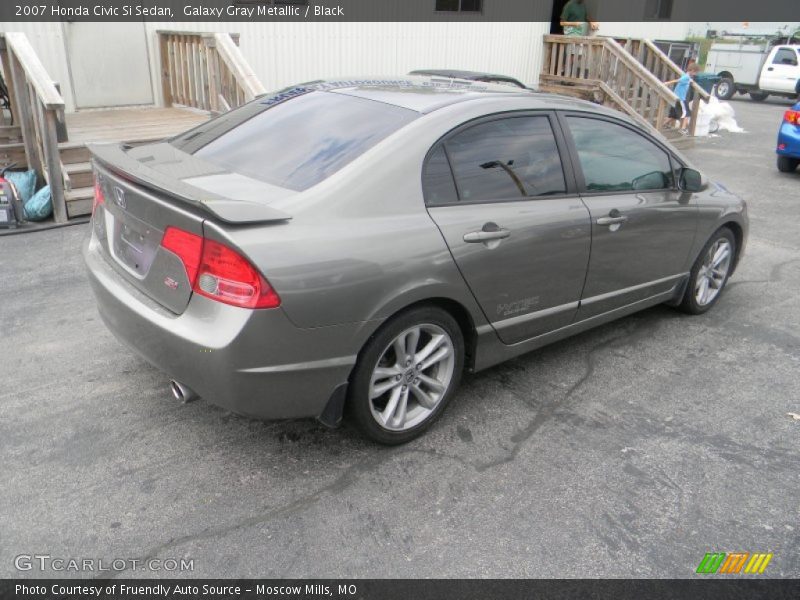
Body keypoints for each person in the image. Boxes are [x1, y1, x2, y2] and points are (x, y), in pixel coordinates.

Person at [665, 63, 700, 134]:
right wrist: (667, 83)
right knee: (687, 113)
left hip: (677, 98)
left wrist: (690, 80)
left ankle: (664, 124)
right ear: (692, 71)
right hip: (681, 98)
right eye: (695, 72)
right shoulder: (686, 77)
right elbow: (678, 80)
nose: (696, 74)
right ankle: (683, 129)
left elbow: (688, 79)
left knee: (673, 115)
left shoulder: (687, 76)